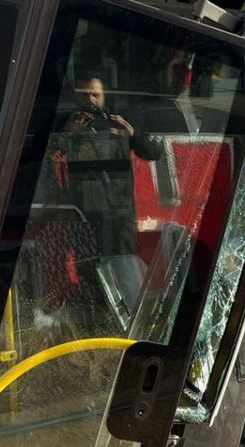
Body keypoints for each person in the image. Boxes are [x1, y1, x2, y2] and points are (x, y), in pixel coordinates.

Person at [49, 75, 162, 322]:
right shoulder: (68, 124)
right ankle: (99, 320)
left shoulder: (119, 123)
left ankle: (135, 320)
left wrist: (130, 134)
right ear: (77, 96)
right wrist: (68, 133)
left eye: (95, 95)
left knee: (124, 268)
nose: (90, 100)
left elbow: (155, 153)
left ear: (105, 96)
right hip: (83, 214)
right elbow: (48, 155)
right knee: (87, 268)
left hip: (119, 213)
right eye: (86, 94)